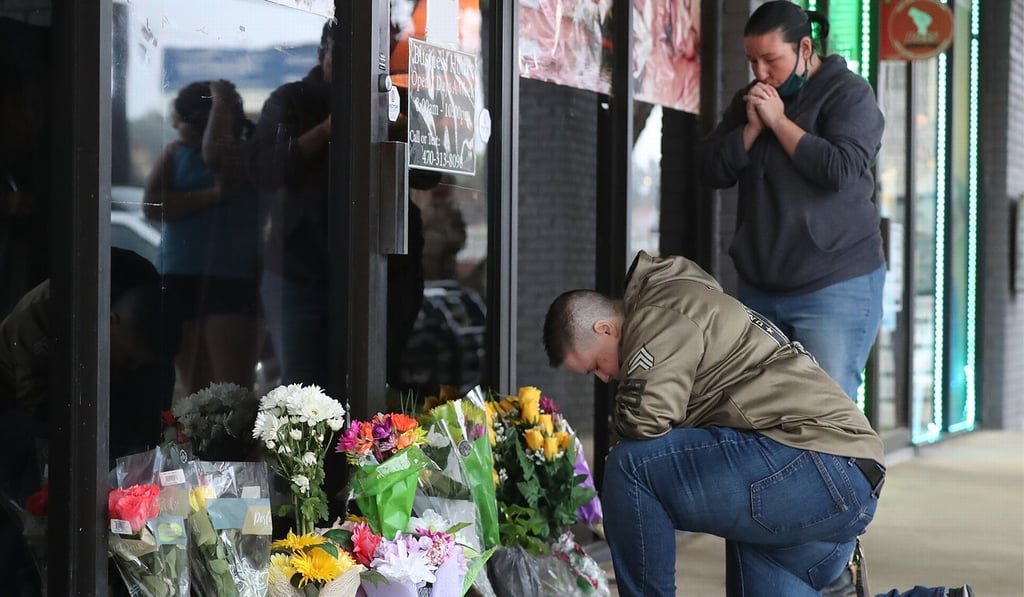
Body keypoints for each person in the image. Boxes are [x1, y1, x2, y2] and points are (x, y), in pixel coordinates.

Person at [542, 250, 972, 597]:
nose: (605, 378)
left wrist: (619, 441)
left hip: (810, 462)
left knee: (630, 467)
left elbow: (646, 420)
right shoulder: (681, 298)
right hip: (839, 478)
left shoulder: (659, 314)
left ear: (605, 328)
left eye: (596, 366)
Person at [697, 1, 886, 400]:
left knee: (827, 412)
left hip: (834, 283)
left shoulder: (849, 94)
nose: (761, 74)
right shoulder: (751, 100)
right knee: (761, 413)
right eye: (752, 62)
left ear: (804, 49)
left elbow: (839, 169)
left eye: (771, 60)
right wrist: (750, 129)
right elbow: (709, 169)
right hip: (760, 286)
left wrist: (779, 122)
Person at [250, 18, 424, 389]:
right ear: (321, 55)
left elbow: (429, 175)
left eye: (372, 56)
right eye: (341, 58)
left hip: (382, 271)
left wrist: (404, 130)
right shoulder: (291, 100)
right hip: (300, 270)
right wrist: (328, 129)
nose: (352, 70)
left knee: (377, 383)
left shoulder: (394, 100)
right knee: (303, 390)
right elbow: (265, 170)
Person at [143, 79, 262, 394]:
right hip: (179, 273)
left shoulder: (245, 155)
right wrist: (213, 196)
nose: (178, 127)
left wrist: (222, 102)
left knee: (232, 389)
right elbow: (153, 206)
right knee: (196, 391)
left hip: (231, 277)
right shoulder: (175, 153)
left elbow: (216, 155)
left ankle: (228, 443)